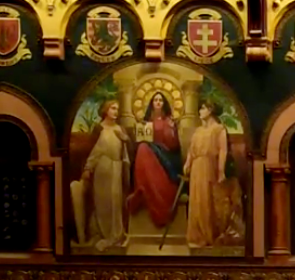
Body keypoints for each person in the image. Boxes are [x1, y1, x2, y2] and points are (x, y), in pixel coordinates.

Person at [128, 91, 185, 227]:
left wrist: (171, 130)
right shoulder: (146, 122)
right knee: (142, 147)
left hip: (165, 157)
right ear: (152, 103)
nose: (158, 102)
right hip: (149, 154)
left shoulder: (168, 121)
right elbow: (141, 141)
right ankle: (141, 188)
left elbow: (174, 145)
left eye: (160, 100)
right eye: (155, 100)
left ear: (164, 103)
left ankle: (151, 190)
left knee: (144, 149)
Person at [80, 98, 131, 250]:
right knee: (102, 201)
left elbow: (128, 152)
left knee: (115, 200)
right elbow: (92, 150)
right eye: (113, 108)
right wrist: (88, 168)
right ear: (105, 110)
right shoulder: (98, 129)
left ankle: (115, 234)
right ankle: (102, 233)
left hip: (117, 167)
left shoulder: (121, 129)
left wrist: (125, 140)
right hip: (102, 167)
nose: (116, 111)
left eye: (117, 109)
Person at [183, 98, 232, 248]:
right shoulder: (198, 131)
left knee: (207, 198)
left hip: (209, 165)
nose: (200, 111)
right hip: (197, 166)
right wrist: (188, 162)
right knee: (196, 199)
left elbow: (223, 150)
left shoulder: (218, 129)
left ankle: (207, 235)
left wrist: (221, 170)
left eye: (203, 108)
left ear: (210, 110)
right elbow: (191, 150)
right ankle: (196, 235)